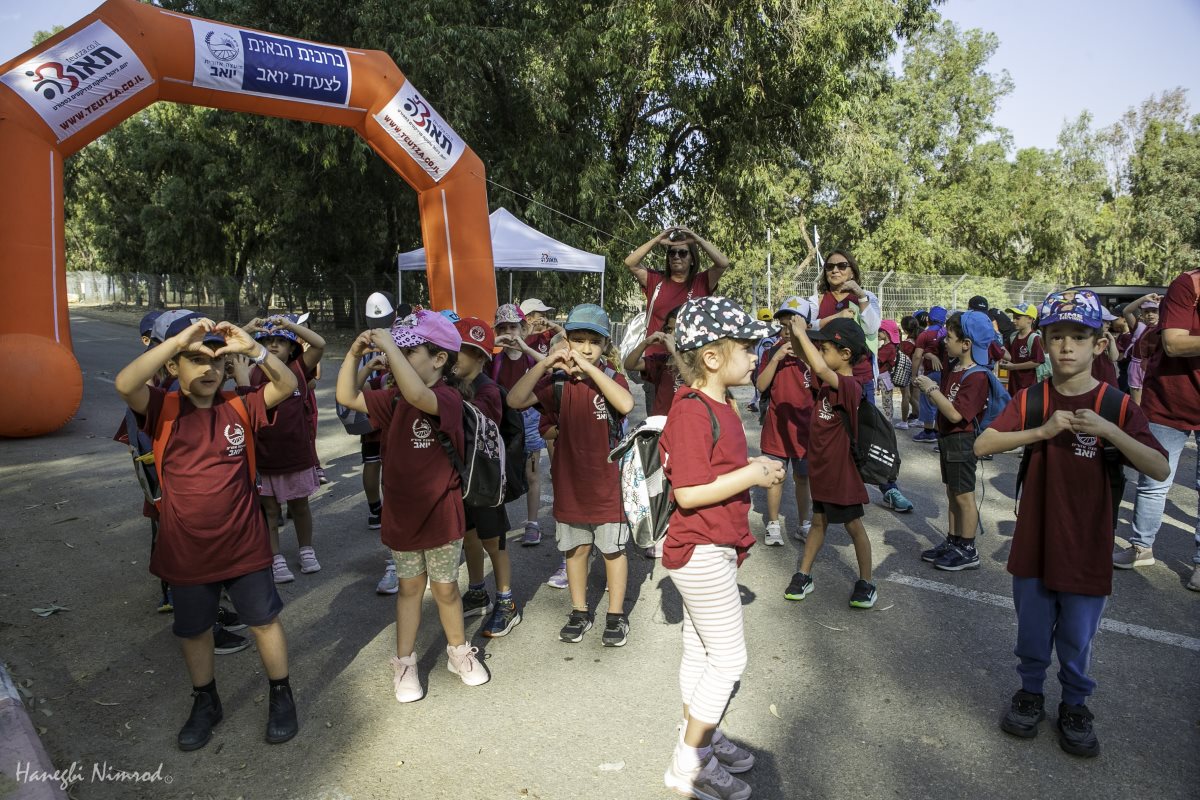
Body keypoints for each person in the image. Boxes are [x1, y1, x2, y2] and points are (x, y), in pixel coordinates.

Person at [974, 289, 1167, 758]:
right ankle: (1031, 693)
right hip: (1036, 540)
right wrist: (1041, 431)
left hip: (1086, 543)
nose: (1066, 346)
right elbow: (983, 445)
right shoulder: (1034, 398)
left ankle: (1076, 704)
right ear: (1043, 343)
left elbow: (1159, 469)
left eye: (1078, 336)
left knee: (1078, 637)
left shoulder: (1116, 403)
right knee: (1032, 630)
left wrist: (1111, 432)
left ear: (1098, 345)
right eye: (1056, 336)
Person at [114, 316, 301, 751]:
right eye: (195, 361)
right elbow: (126, 384)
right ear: (174, 367)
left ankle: (281, 693)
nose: (207, 370)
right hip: (186, 549)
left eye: (215, 362)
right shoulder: (161, 407)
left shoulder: (240, 404)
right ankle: (206, 701)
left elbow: (288, 383)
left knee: (264, 622)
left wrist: (253, 349)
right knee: (194, 630)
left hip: (245, 544)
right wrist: (179, 340)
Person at [660, 296, 783, 800]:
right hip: (702, 547)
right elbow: (688, 493)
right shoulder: (692, 411)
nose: (756, 355)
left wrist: (750, 466)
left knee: (701, 650)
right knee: (729, 661)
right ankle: (688, 763)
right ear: (712, 357)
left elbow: (714, 468)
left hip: (713, 546)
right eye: (748, 346)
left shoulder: (719, 404)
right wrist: (754, 473)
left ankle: (704, 739)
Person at [336, 310, 490, 702]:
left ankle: (458, 653)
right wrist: (354, 355)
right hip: (402, 518)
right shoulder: (392, 400)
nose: (396, 360)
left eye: (409, 353)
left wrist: (388, 343)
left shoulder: (449, 398)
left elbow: (421, 396)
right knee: (409, 589)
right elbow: (346, 397)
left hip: (442, 515)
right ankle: (405, 662)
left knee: (446, 590)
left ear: (440, 359)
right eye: (397, 354)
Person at [507, 304, 636, 646]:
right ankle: (579, 611)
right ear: (567, 342)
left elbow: (625, 405)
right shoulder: (556, 383)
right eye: (578, 341)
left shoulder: (610, 378)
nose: (586, 348)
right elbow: (515, 400)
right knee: (576, 550)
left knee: (612, 551)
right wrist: (546, 363)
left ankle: (615, 615)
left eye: (594, 341)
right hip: (571, 486)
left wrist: (591, 371)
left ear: (606, 346)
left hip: (608, 486)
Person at [782, 318, 879, 609]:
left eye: (824, 348)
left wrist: (802, 333)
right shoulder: (826, 379)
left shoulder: (851, 386)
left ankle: (866, 582)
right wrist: (797, 334)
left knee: (853, 525)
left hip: (841, 472)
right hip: (822, 468)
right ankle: (804, 574)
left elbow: (821, 367)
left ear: (846, 354)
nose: (820, 353)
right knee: (819, 521)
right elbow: (804, 356)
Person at [1114, 269, 1200, 588]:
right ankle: (1141, 546)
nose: (1150, 315)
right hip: (1169, 400)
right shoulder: (1187, 283)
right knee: (1153, 481)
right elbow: (1175, 344)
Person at [810, 250, 914, 513]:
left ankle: (888, 486)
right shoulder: (816, 300)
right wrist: (835, 318)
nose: (835, 270)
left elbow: (871, 327)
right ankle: (832, 489)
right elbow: (806, 328)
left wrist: (860, 294)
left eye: (842, 265)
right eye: (830, 266)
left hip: (861, 377)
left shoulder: (866, 298)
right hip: (828, 379)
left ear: (852, 269)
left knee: (869, 433)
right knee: (828, 432)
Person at [240, 315, 326, 583]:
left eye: (280, 341)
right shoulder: (250, 372)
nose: (273, 345)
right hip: (264, 458)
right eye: (267, 341)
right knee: (271, 512)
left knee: (300, 507)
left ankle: (306, 549)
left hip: (297, 456)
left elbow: (320, 344)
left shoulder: (299, 368)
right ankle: (275, 557)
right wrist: (247, 330)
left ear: (292, 349)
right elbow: (223, 349)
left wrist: (290, 326)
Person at [452, 316, 522, 637]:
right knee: (469, 535)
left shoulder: (489, 391)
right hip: (463, 480)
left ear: (480, 357)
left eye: (462, 351)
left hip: (486, 482)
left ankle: (506, 601)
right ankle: (477, 590)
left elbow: (478, 426)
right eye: (451, 349)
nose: (454, 356)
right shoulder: (452, 385)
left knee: (494, 541)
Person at [913, 311, 993, 571]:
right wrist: (931, 353)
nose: (945, 341)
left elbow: (956, 413)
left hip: (962, 440)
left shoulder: (977, 375)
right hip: (948, 438)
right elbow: (934, 346)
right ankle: (953, 539)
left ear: (966, 344)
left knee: (964, 496)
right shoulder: (955, 365)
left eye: (950, 337)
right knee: (952, 492)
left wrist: (931, 389)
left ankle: (968, 548)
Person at [624, 226, 730, 411]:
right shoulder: (656, 281)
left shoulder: (701, 282)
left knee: (694, 417)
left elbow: (723, 263)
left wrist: (697, 239)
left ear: (692, 259)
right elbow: (631, 262)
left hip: (694, 363)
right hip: (659, 364)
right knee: (658, 418)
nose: (676, 257)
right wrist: (657, 239)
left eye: (683, 253)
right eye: (672, 253)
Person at [358, 291, 411, 595]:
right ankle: (394, 564)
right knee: (389, 484)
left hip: (409, 421)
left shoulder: (408, 338)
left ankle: (422, 557)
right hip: (383, 416)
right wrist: (363, 364)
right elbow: (353, 393)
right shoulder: (367, 345)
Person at [756, 297, 816, 546]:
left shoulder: (816, 352)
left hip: (805, 429)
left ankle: (804, 524)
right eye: (784, 326)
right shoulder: (772, 350)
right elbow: (760, 386)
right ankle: (772, 524)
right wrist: (775, 358)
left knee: (803, 478)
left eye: (794, 325)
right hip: (777, 428)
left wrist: (805, 356)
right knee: (776, 476)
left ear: (807, 327)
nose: (788, 331)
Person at [492, 303, 550, 549]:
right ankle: (497, 524)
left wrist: (525, 346)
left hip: (530, 419)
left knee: (532, 473)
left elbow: (550, 365)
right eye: (503, 328)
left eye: (513, 327)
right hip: (503, 421)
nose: (509, 333)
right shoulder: (494, 361)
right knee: (499, 473)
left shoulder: (531, 356)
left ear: (524, 329)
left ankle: (533, 523)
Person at [623, 305, 683, 418]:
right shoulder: (662, 360)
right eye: (669, 329)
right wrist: (645, 343)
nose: (672, 335)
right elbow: (630, 364)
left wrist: (675, 352)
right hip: (661, 426)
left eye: (679, 330)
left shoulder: (698, 363)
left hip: (684, 425)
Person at [912, 305, 948, 443]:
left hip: (930, 372)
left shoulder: (925, 335)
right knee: (940, 400)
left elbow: (917, 356)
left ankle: (928, 431)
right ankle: (938, 431)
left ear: (928, 320)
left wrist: (914, 375)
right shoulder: (946, 333)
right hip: (945, 373)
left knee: (927, 400)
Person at [1121, 294, 1161, 405]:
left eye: (1154, 311)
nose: (1150, 315)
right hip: (1137, 366)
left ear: (1160, 312)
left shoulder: (1164, 328)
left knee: (1154, 402)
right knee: (1137, 404)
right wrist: (1143, 299)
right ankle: (1137, 422)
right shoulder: (1139, 326)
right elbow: (1126, 312)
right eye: (1146, 312)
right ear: (1142, 314)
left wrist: (1165, 301)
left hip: (1155, 367)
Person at [1000, 303, 1044, 396]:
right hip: (1013, 386)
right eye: (1013, 317)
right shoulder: (1013, 337)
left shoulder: (1034, 339)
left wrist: (1014, 366)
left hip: (1030, 388)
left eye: (1018, 318)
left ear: (1030, 319)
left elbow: (1037, 362)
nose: (1013, 320)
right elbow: (1008, 356)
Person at [748, 308, 777, 413]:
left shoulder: (772, 335)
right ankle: (763, 413)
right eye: (764, 322)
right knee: (763, 391)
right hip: (759, 366)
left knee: (763, 391)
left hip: (766, 366)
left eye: (768, 322)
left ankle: (753, 403)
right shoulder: (758, 335)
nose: (767, 324)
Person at [896, 315, 921, 429]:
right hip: (916, 370)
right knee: (912, 397)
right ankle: (920, 417)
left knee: (906, 396)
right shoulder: (918, 341)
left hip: (905, 370)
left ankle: (904, 421)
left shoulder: (906, 344)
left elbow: (900, 356)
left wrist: (899, 339)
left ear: (905, 329)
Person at [876, 319, 901, 423]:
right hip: (886, 377)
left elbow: (877, 359)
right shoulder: (889, 346)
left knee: (886, 402)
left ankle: (888, 423)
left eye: (879, 331)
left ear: (885, 333)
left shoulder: (888, 348)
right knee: (887, 402)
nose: (877, 334)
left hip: (884, 378)